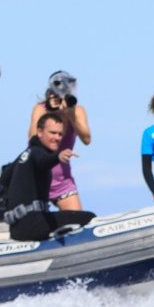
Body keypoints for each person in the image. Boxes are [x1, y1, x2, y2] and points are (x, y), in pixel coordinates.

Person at [3, 113, 97, 241]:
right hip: (33, 226)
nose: (57, 138)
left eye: (60, 134)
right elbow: (44, 160)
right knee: (89, 217)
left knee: (69, 218)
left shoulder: (24, 155)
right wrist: (58, 157)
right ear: (40, 132)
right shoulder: (37, 153)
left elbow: (3, 178)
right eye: (52, 133)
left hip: (17, 229)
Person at [28, 71, 92, 211]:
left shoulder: (77, 111)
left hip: (62, 181)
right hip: (37, 177)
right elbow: (32, 139)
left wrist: (70, 115)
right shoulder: (40, 109)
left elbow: (87, 139)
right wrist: (51, 113)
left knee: (78, 222)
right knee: (36, 227)